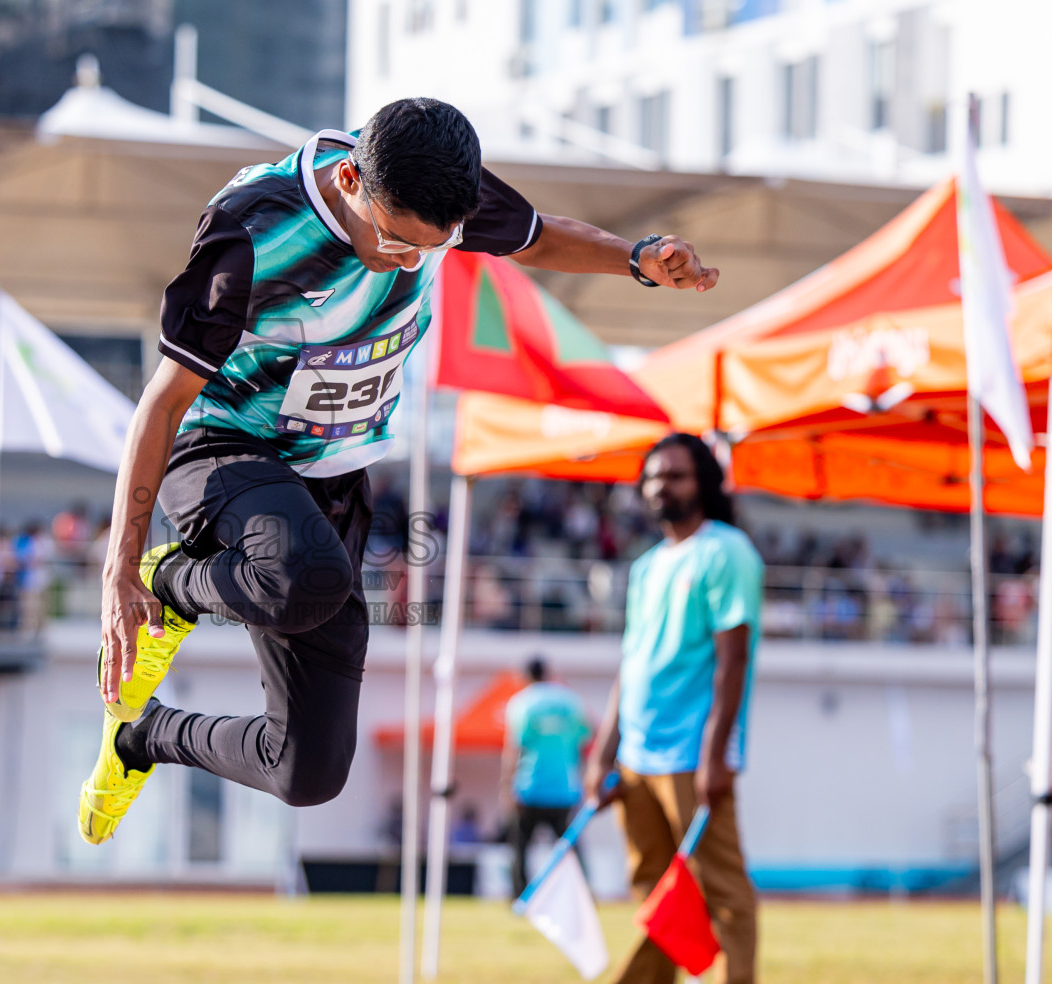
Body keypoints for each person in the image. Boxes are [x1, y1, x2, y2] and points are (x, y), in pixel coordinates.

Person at [79, 97, 721, 845]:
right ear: (349, 177)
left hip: (335, 476)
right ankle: (170, 581)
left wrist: (637, 258)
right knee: (304, 577)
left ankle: (141, 738)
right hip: (225, 448)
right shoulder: (251, 232)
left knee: (307, 771)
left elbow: (539, 237)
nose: (409, 261)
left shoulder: (440, 188)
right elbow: (162, 403)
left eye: (431, 247)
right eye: (393, 241)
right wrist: (119, 569)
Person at [583, 433, 762, 984]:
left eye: (677, 475)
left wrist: (715, 755)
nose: (663, 486)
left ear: (704, 482)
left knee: (722, 893)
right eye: (655, 477)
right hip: (636, 757)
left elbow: (734, 661)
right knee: (655, 892)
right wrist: (602, 754)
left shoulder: (726, 551)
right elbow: (630, 667)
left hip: (691, 755)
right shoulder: (646, 566)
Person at [501, 656, 591, 900]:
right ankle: (583, 894)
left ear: (525, 676)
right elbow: (583, 744)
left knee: (520, 849)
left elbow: (515, 749)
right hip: (564, 789)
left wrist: (507, 786)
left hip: (529, 787)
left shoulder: (522, 703)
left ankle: (521, 898)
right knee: (570, 848)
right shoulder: (571, 701)